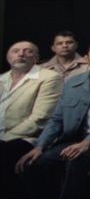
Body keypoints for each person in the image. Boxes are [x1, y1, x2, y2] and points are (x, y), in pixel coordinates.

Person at [16, 40, 90, 199]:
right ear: (86, 59)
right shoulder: (73, 82)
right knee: (34, 163)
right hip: (74, 138)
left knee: (76, 158)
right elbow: (57, 119)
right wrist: (40, 146)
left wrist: (87, 143)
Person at [0, 41, 63, 193]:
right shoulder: (2, 79)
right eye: (15, 51)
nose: (21, 54)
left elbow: (40, 118)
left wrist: (4, 137)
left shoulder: (49, 77)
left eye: (27, 51)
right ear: (8, 57)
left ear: (36, 57)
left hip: (27, 137)